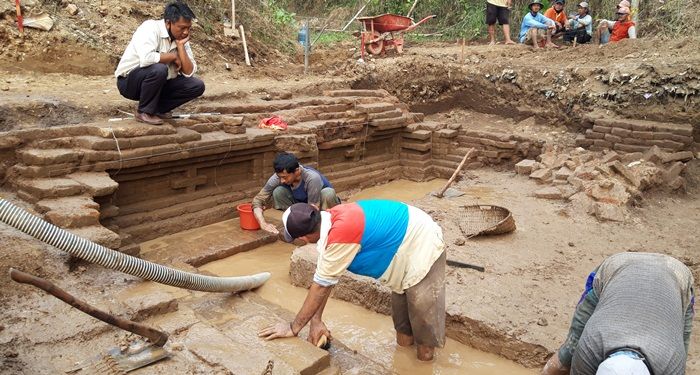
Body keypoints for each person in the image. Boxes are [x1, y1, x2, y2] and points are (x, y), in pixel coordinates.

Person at [258, 200, 447, 361]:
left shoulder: (341, 234)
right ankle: (405, 363)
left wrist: (293, 327)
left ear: (304, 237)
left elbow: (321, 288)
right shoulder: (329, 222)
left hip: (422, 245)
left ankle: (424, 364)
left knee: (423, 326)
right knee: (403, 324)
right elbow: (325, 279)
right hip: (402, 249)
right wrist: (316, 321)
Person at [541, 252, 695, 375]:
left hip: (678, 279)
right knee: (569, 352)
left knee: (680, 348)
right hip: (617, 269)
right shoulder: (588, 351)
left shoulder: (672, 364)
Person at [114, 1, 205, 125]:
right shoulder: (150, 28)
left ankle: (156, 110)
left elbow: (189, 72)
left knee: (197, 85)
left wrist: (180, 47)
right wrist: (172, 56)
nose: (186, 32)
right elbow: (146, 59)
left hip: (159, 84)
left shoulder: (181, 39)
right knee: (159, 69)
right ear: (168, 23)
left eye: (188, 28)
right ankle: (143, 112)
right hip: (130, 83)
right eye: (182, 27)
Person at [252, 152, 340, 234]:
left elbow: (312, 210)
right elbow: (258, 200)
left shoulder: (312, 178)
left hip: (320, 208)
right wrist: (262, 223)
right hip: (301, 204)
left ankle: (325, 228)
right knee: (278, 192)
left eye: (285, 177)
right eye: (280, 177)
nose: (282, 180)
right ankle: (293, 222)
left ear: (297, 171)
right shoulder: (278, 177)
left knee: (328, 193)